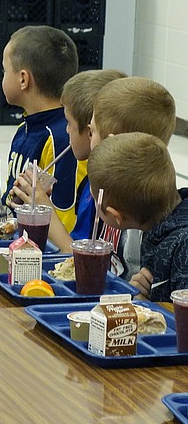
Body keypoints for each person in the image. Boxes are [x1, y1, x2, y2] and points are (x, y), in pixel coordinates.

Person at [11, 69, 126, 253]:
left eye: (69, 123)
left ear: (90, 132)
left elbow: (76, 258)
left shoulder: (105, 189)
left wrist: (45, 211)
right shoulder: (89, 181)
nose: (66, 131)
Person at [86, 76, 177, 276]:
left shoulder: (149, 214)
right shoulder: (110, 186)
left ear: (112, 143)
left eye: (91, 131)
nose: (88, 139)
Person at [0, 26, 81, 234]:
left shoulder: (63, 139)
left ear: (23, 79)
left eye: (4, 70)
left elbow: (64, 220)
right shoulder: (23, 128)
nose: (3, 76)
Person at [89, 133, 188, 302]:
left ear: (116, 216)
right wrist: (147, 295)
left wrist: (150, 306)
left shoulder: (182, 246)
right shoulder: (159, 228)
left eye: (94, 201)